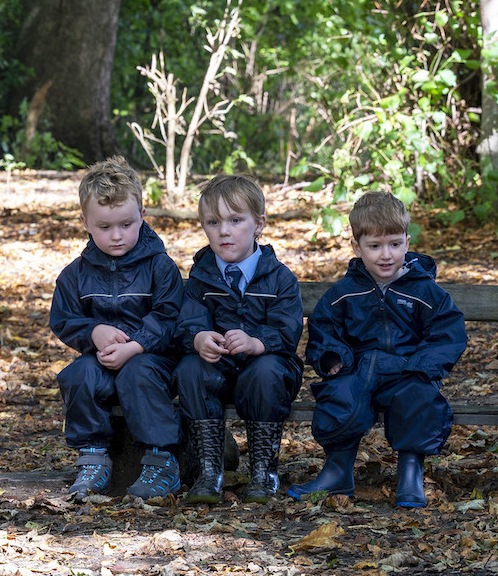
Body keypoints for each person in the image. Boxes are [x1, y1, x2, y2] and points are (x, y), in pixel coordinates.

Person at [290, 191, 467, 507]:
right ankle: (337, 470)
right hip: (359, 369)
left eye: (395, 244)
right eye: (375, 246)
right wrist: (332, 357)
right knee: (339, 395)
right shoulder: (345, 292)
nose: (386, 255)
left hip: (406, 370)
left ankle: (410, 472)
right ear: (357, 247)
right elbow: (324, 328)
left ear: (407, 243)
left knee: (419, 398)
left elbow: (447, 334)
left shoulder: (426, 291)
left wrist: (423, 366)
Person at [50, 156, 186, 501]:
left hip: (154, 360)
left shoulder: (160, 267)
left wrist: (136, 345)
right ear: (85, 222)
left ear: (142, 215)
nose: (117, 236)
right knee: (77, 374)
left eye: (126, 224)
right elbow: (64, 318)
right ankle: (93, 456)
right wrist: (93, 332)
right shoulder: (76, 274)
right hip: (103, 361)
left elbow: (169, 316)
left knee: (137, 373)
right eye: (105, 227)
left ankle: (161, 460)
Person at [174, 175, 303, 505]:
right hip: (219, 369)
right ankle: (209, 470)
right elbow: (188, 321)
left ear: (259, 224)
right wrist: (199, 337)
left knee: (266, 371)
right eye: (213, 222)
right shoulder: (201, 277)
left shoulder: (279, 278)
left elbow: (287, 330)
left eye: (235, 220)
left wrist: (257, 341)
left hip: (266, 371)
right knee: (191, 368)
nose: (224, 231)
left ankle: (263, 472)